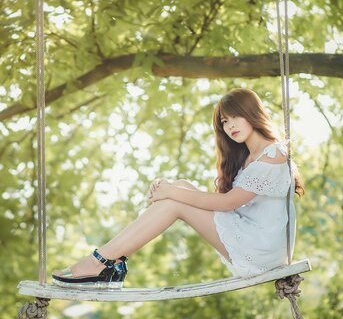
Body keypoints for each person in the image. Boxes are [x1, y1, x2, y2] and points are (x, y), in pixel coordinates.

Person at [51, 88, 304, 289]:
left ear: (251, 113)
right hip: (253, 236)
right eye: (225, 122)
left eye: (235, 117)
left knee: (175, 199)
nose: (230, 126)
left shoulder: (274, 153)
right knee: (180, 187)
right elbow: (222, 201)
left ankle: (99, 263)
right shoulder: (248, 158)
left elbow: (228, 203)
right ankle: (108, 262)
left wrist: (170, 194)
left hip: (263, 248)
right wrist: (171, 187)